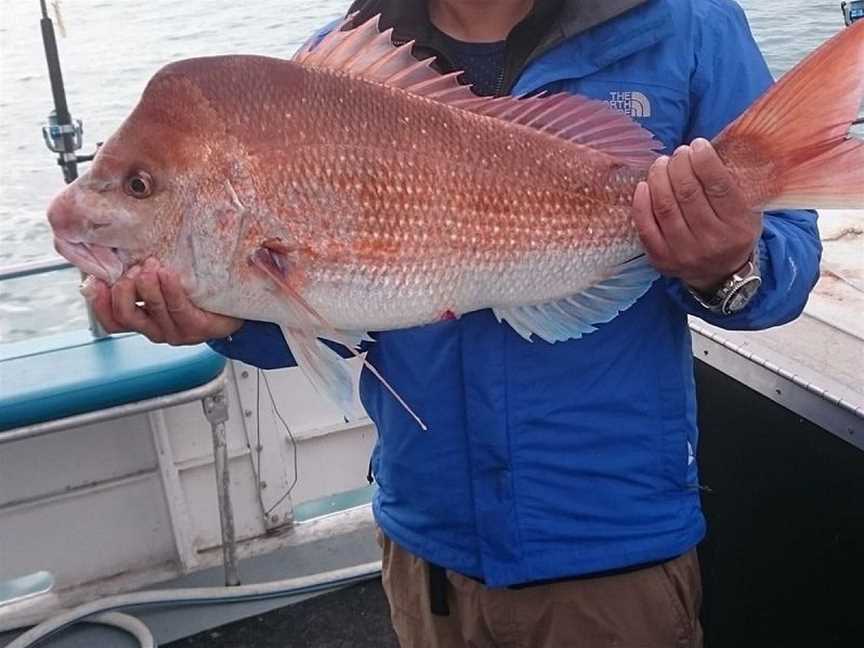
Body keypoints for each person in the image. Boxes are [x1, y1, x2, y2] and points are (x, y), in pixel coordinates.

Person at [85, 0, 822, 645]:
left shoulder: (689, 27)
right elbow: (329, 307)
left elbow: (783, 268)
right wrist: (220, 322)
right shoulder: (333, 70)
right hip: (426, 554)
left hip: (613, 550)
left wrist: (723, 264)